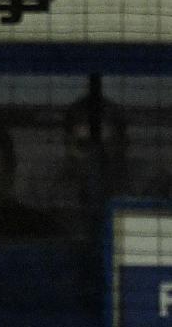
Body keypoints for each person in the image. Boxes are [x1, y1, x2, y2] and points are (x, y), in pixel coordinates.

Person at [51, 91, 172, 241]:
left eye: (107, 145)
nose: (96, 157)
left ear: (124, 145)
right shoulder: (47, 187)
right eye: (84, 146)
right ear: (67, 146)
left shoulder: (148, 183)